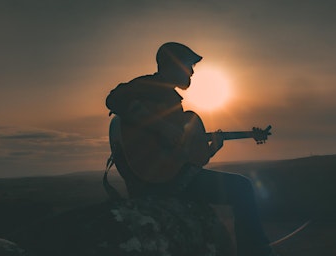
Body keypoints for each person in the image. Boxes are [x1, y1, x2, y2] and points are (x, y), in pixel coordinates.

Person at [105, 42, 275, 256]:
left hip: (166, 178)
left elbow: (181, 159)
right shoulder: (151, 86)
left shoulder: (170, 98)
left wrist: (212, 149)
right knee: (243, 187)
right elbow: (114, 98)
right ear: (172, 65)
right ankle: (256, 251)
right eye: (188, 66)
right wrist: (162, 126)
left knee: (236, 187)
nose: (192, 72)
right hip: (160, 182)